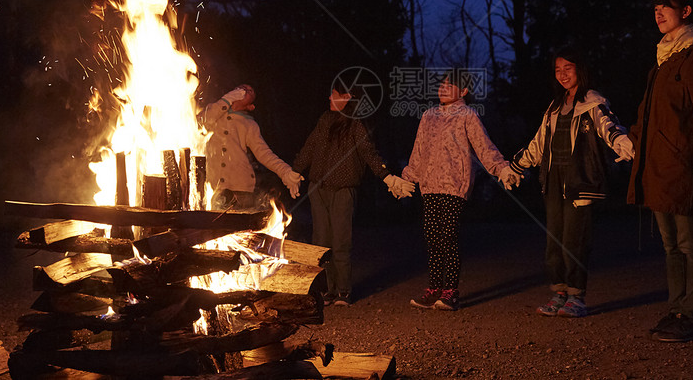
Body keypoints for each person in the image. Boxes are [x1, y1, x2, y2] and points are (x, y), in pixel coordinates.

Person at [627, 0, 693, 342]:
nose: (658, 13)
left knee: (689, 243)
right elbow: (648, 113)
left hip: (682, 164)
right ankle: (676, 309)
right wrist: (631, 140)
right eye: (654, 8)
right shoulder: (662, 60)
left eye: (665, 7)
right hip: (656, 165)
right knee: (670, 246)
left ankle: (692, 314)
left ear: (686, 11)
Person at [510, 48, 634, 318]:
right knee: (554, 240)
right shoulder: (555, 106)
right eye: (558, 70)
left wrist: (622, 143)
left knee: (575, 241)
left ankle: (577, 297)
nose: (563, 74)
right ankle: (559, 293)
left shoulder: (591, 101)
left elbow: (608, 126)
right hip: (555, 181)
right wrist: (516, 167)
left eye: (568, 68)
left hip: (582, 180)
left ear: (580, 69)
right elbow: (539, 143)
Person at [402, 70, 520, 311]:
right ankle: (434, 289)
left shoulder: (468, 114)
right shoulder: (428, 116)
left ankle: (450, 292)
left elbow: (483, 146)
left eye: (450, 85)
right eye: (442, 84)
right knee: (433, 237)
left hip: (455, 184)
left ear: (463, 91)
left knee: (448, 236)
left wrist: (501, 168)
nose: (443, 88)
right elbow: (419, 149)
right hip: (430, 185)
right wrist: (408, 178)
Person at [292, 84, 415, 307]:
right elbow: (310, 146)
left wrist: (387, 176)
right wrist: (293, 172)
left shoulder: (357, 123)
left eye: (335, 95)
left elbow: (369, 152)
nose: (329, 97)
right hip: (318, 187)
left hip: (343, 190)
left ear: (347, 98)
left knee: (341, 241)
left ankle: (343, 291)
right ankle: (327, 289)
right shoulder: (325, 120)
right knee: (320, 241)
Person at [204, 85, 303, 210]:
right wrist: (226, 100)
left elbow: (264, 153)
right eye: (240, 87)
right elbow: (201, 122)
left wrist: (285, 172)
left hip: (240, 189)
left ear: (250, 106)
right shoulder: (215, 111)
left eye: (249, 91)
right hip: (212, 186)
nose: (244, 90)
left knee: (237, 226)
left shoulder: (249, 124)